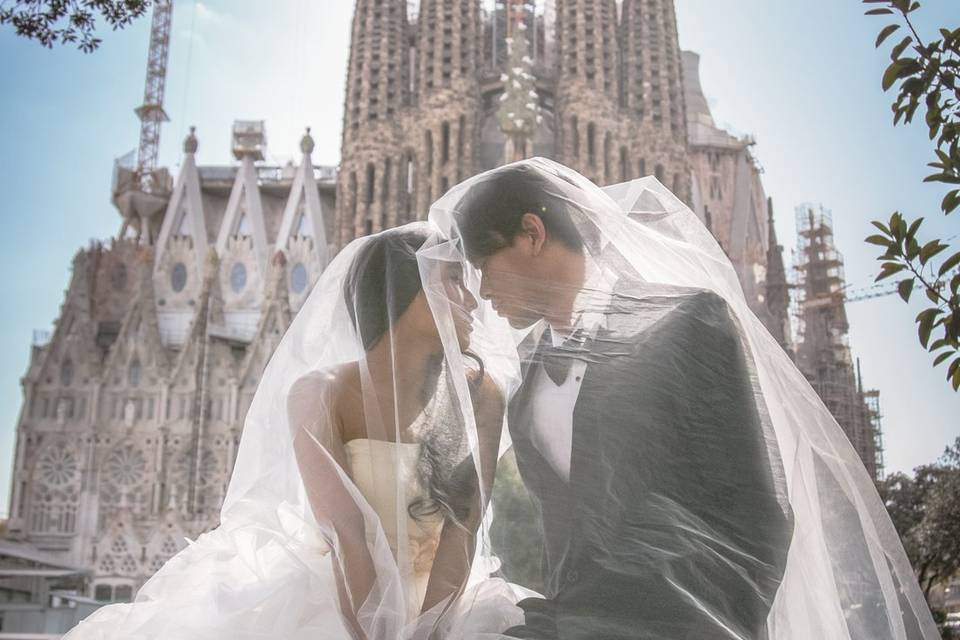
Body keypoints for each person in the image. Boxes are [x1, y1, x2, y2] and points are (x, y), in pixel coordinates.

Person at [426, 157, 939, 639]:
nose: (482, 291)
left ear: (532, 234)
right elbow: (561, 542)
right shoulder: (524, 387)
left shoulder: (688, 322)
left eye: (484, 264)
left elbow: (758, 513)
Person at [62, 224, 527, 639]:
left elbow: (462, 529)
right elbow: (348, 533)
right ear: (405, 289)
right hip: (344, 599)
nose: (472, 301)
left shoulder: (481, 395)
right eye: (452, 281)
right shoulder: (321, 393)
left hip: (448, 604)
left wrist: (428, 632)